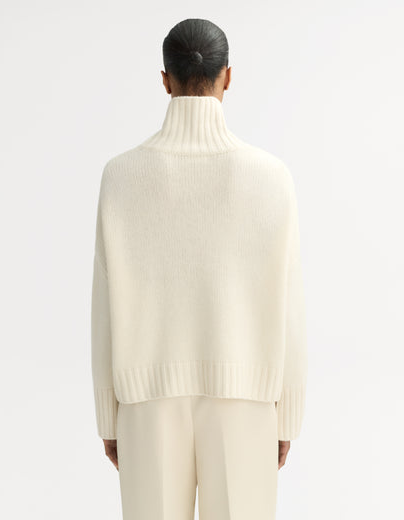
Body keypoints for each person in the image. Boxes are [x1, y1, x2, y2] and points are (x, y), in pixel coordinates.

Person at [91, 17, 308, 520]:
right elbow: (289, 304)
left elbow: (104, 303)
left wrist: (108, 415)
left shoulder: (120, 176)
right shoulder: (272, 177)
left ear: (164, 80)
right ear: (228, 76)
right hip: (246, 397)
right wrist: (287, 416)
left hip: (145, 399)